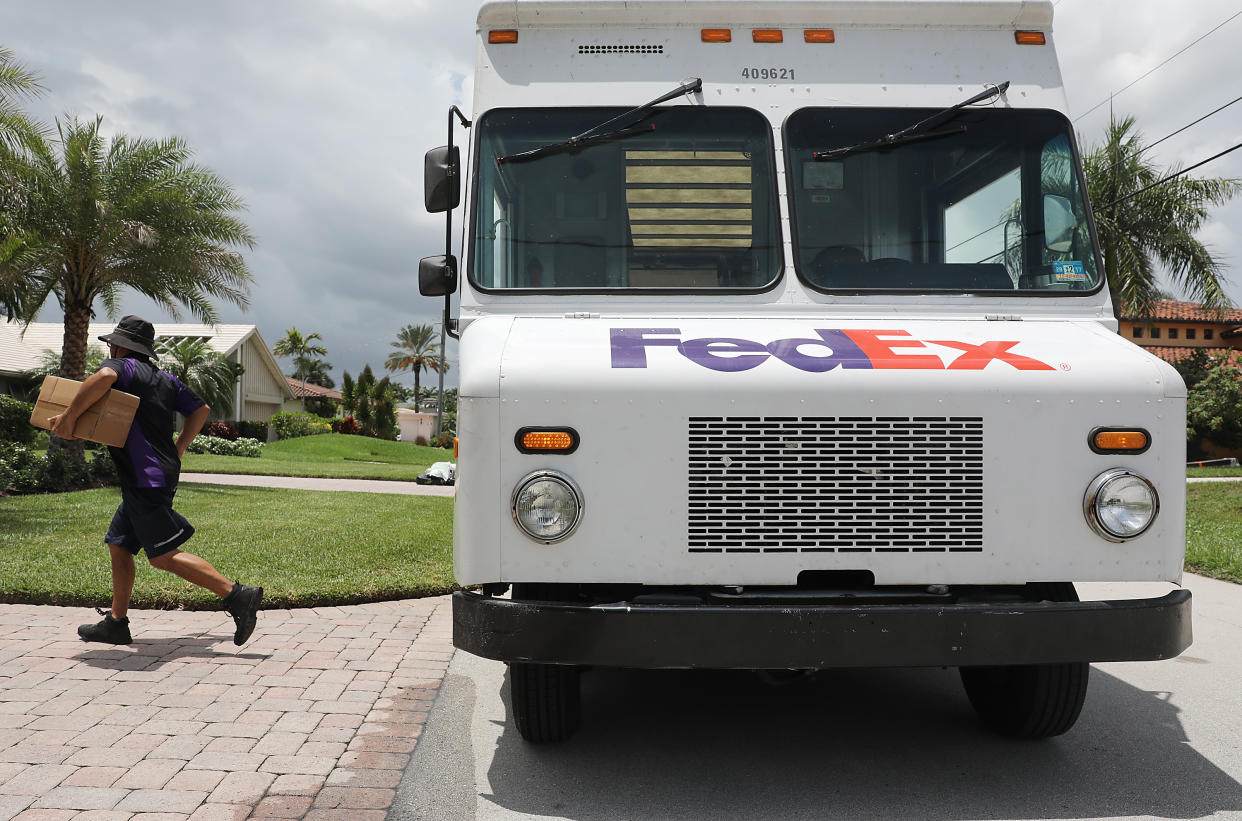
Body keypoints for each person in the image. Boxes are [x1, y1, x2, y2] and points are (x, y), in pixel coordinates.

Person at [49, 315, 263, 646]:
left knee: (162, 556)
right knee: (119, 544)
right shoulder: (164, 379)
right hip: (157, 471)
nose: (110, 350)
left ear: (120, 346)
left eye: (112, 346)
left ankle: (237, 595)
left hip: (144, 476)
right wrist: (179, 447)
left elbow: (104, 375)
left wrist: (68, 417)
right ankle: (117, 624)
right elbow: (201, 409)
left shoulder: (123, 368)